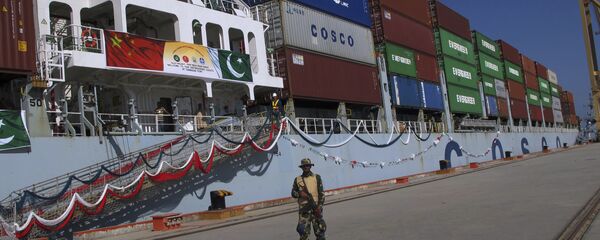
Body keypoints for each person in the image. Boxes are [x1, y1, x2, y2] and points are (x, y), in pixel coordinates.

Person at [291, 158, 326, 240]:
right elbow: (293, 193)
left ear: (310, 166)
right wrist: (300, 194)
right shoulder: (298, 179)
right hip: (304, 210)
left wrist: (319, 207)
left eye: (308, 165)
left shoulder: (316, 177)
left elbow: (322, 194)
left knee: (320, 231)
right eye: (304, 166)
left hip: (315, 208)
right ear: (302, 167)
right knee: (303, 232)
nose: (306, 167)